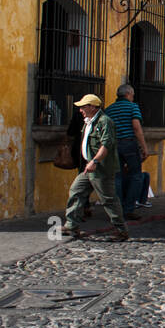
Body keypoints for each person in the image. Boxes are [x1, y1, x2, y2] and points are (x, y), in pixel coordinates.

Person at [62, 94, 128, 241]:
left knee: (108, 199)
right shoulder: (88, 122)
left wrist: (95, 161)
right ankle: (71, 224)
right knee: (76, 190)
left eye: (83, 107)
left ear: (92, 107)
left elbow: (106, 144)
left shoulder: (105, 122)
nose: (80, 110)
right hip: (89, 166)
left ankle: (121, 230)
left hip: (101, 168)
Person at [104, 83, 148, 221]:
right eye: (132, 95)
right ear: (128, 94)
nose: (133, 97)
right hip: (129, 144)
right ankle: (129, 208)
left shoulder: (109, 109)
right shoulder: (132, 107)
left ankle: (117, 209)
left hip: (113, 146)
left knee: (117, 177)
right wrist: (144, 146)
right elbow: (136, 127)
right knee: (136, 176)